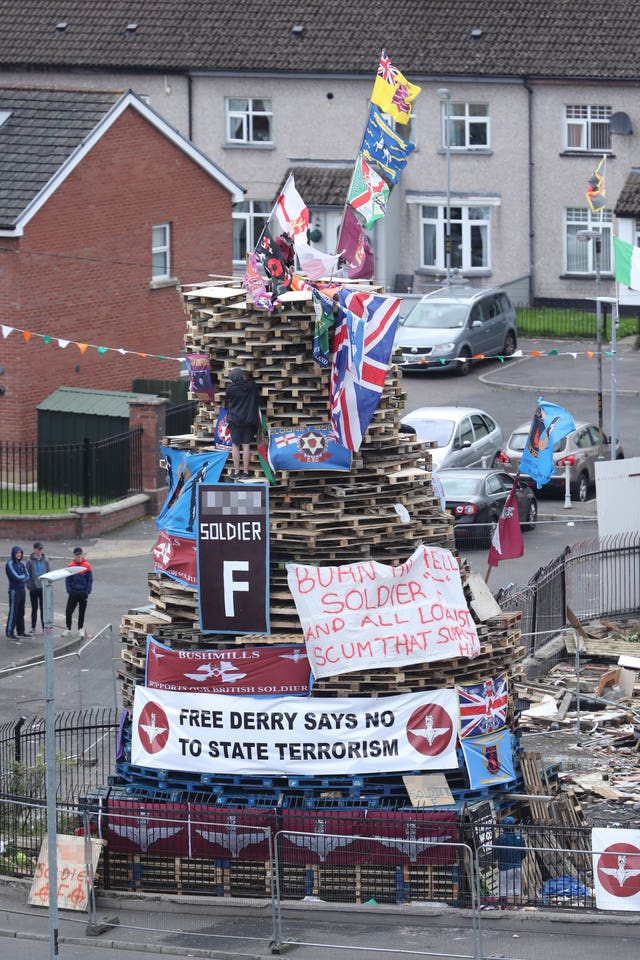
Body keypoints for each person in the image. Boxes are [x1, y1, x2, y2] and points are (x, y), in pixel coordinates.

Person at [226, 366, 260, 479]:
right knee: (246, 446)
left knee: (235, 446)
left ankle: (236, 472)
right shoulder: (252, 387)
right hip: (249, 420)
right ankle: (245, 473)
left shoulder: (230, 388)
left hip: (235, 421)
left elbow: (228, 400)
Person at [492, 816, 527, 907]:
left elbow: (495, 854)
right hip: (517, 867)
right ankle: (520, 910)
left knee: (507, 892)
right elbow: (524, 853)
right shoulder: (520, 838)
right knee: (517, 891)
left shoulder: (500, 839)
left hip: (505, 868)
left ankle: (509, 911)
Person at [63, 547, 93, 639]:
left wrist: (87, 591)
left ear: (82, 554)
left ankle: (80, 628)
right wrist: (69, 591)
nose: (78, 556)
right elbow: (67, 580)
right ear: (74, 555)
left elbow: (89, 580)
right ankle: (68, 628)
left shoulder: (87, 565)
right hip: (74, 592)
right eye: (77, 554)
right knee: (68, 611)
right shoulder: (70, 565)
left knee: (82, 612)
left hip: (83, 592)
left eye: (80, 554)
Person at [26, 541, 51, 635]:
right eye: (38, 549)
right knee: (34, 608)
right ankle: (33, 627)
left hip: (43, 588)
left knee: (43, 608)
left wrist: (47, 585)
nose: (40, 551)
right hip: (34, 588)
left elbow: (49, 573)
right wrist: (30, 586)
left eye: (41, 549)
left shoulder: (46, 560)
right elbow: (27, 574)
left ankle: (44, 627)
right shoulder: (29, 561)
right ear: (34, 549)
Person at [5, 545, 30, 640]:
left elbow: (27, 575)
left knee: (21, 611)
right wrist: (23, 578)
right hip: (14, 590)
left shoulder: (22, 564)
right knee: (13, 611)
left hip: (22, 590)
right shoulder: (10, 564)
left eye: (20, 552)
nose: (19, 554)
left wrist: (22, 578)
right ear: (13, 554)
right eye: (17, 553)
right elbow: (16, 577)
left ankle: (21, 631)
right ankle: (9, 632)